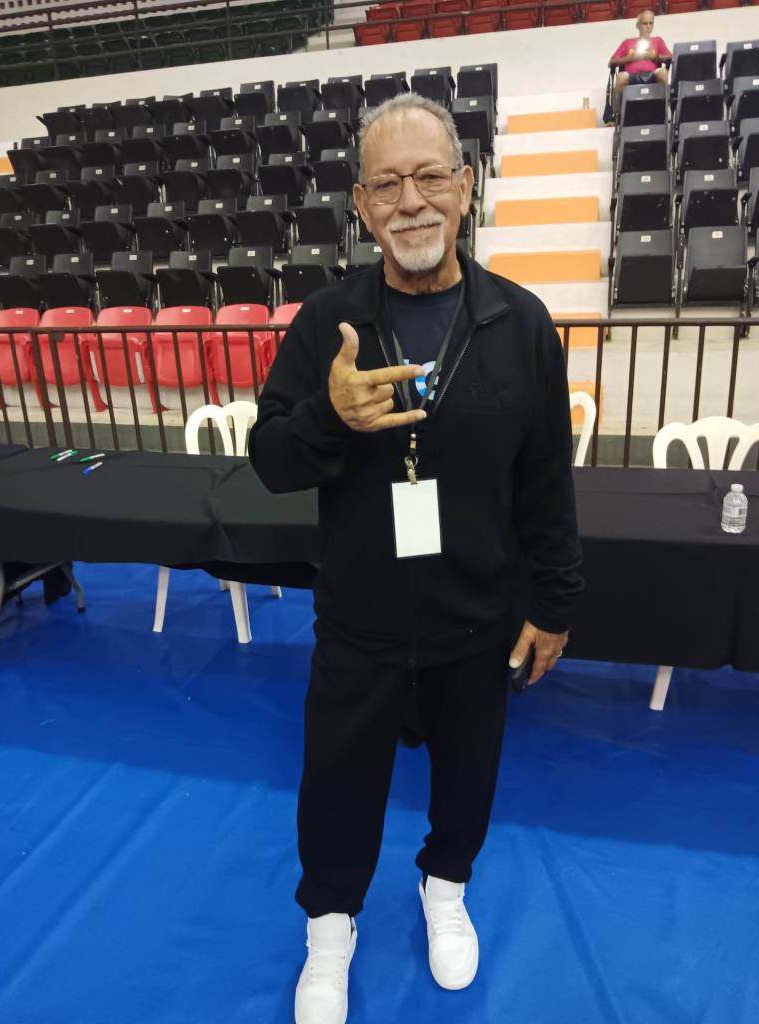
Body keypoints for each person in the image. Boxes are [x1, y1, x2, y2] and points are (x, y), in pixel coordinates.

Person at [248, 93, 583, 1024]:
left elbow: (546, 481)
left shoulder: (522, 322)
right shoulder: (327, 323)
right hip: (357, 619)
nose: (412, 201)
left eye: (431, 176)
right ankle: (330, 928)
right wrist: (328, 416)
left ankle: (446, 886)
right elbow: (269, 462)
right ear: (361, 205)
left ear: (465, 187)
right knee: (335, 787)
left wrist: (555, 602)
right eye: (388, 184)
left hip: (478, 616)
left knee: (468, 776)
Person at [609, 9, 672, 118]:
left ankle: (664, 111)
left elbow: (671, 57)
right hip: (631, 76)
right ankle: (617, 114)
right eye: (645, 23)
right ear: (637, 25)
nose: (648, 26)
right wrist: (630, 58)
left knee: (663, 73)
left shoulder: (658, 41)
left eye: (651, 23)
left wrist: (655, 57)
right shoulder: (627, 42)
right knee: (621, 77)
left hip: (652, 74)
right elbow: (612, 62)